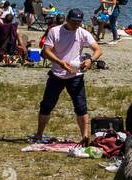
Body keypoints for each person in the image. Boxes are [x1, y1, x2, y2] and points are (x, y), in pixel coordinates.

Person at [34, 8, 102, 144]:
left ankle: (85, 138)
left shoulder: (83, 33)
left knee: (81, 107)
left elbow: (98, 49)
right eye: (74, 22)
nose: (76, 25)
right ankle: (39, 135)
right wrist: (60, 62)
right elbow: (46, 51)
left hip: (75, 76)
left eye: (79, 22)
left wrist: (90, 60)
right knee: (47, 105)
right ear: (67, 20)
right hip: (56, 75)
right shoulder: (55, 31)